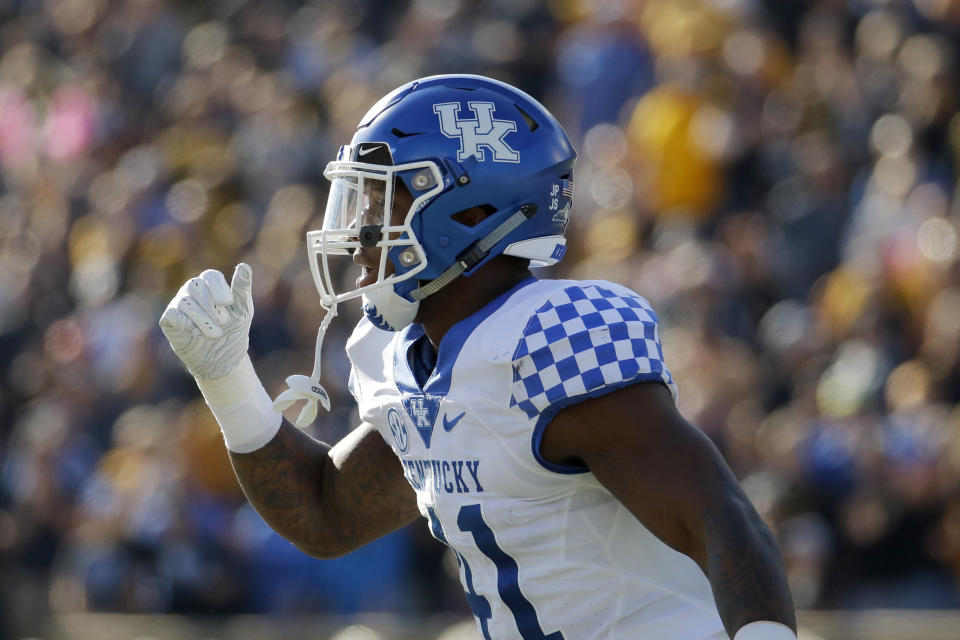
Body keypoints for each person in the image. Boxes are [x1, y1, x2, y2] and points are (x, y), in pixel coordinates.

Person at [160, 74, 797, 639]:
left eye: (382, 202)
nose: (357, 234)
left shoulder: (547, 341)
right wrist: (227, 380)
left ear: (467, 209)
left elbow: (720, 514)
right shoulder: (409, 359)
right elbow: (326, 514)